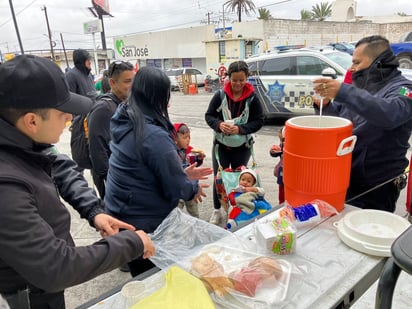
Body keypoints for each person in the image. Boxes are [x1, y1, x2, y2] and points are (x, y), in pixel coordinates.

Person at [0, 55, 155, 309]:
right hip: (27, 293)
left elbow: (61, 167)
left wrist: (94, 211)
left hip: (41, 284)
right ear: (32, 120)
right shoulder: (5, 185)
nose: (70, 119)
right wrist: (132, 242)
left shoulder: (22, 140)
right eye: (63, 113)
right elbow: (55, 267)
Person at [104, 66, 212, 277]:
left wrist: (181, 171)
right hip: (142, 221)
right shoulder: (152, 134)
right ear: (158, 96)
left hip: (122, 213)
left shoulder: (124, 116)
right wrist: (191, 187)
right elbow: (176, 186)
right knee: (155, 279)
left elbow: (144, 165)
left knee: (141, 272)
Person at [312, 35, 412, 213]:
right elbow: (340, 122)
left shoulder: (404, 89)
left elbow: (388, 114)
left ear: (379, 63)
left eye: (357, 62)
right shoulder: (361, 87)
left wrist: (344, 91)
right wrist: (325, 106)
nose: (352, 68)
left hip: (377, 187)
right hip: (346, 176)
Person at [205, 60, 265, 225]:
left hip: (242, 147)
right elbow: (209, 116)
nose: (238, 84)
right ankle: (217, 210)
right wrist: (219, 125)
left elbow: (259, 121)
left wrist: (240, 129)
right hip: (221, 146)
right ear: (228, 78)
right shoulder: (220, 96)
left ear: (247, 78)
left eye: (241, 80)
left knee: (240, 180)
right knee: (219, 179)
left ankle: (236, 209)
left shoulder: (252, 98)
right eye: (234, 80)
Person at [88, 60, 135, 199]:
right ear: (113, 83)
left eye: (133, 81)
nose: (132, 86)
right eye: (127, 81)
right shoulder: (104, 108)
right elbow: (97, 149)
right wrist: (112, 178)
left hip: (124, 174)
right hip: (112, 178)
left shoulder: (124, 104)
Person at [173, 122, 206, 218]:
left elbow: (194, 163)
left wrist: (199, 159)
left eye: (189, 137)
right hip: (178, 190)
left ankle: (197, 222)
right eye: (184, 138)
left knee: (194, 210)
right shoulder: (172, 152)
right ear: (175, 139)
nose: (188, 140)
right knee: (176, 211)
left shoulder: (189, 150)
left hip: (191, 187)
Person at [270, 126, 285, 204]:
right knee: (281, 193)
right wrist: (273, 151)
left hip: (293, 174)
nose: (283, 142)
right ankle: (281, 206)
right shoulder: (282, 145)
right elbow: (276, 153)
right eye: (282, 140)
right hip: (282, 172)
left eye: (284, 139)